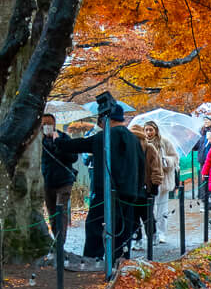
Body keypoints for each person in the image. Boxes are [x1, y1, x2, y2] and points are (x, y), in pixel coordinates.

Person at [63, 95, 146, 262]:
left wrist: (58, 141)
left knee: (95, 226)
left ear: (105, 118)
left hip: (106, 192)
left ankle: (92, 259)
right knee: (123, 230)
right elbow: (142, 165)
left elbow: (80, 144)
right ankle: (121, 260)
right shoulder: (133, 138)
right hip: (129, 193)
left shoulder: (105, 137)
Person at [40, 113, 78, 245]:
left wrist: (58, 143)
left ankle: (60, 244)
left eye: (49, 124)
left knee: (60, 212)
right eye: (44, 124)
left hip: (64, 181)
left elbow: (73, 157)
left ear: (54, 125)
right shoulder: (38, 141)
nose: (46, 127)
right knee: (52, 214)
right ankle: (56, 242)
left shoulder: (63, 137)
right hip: (47, 181)